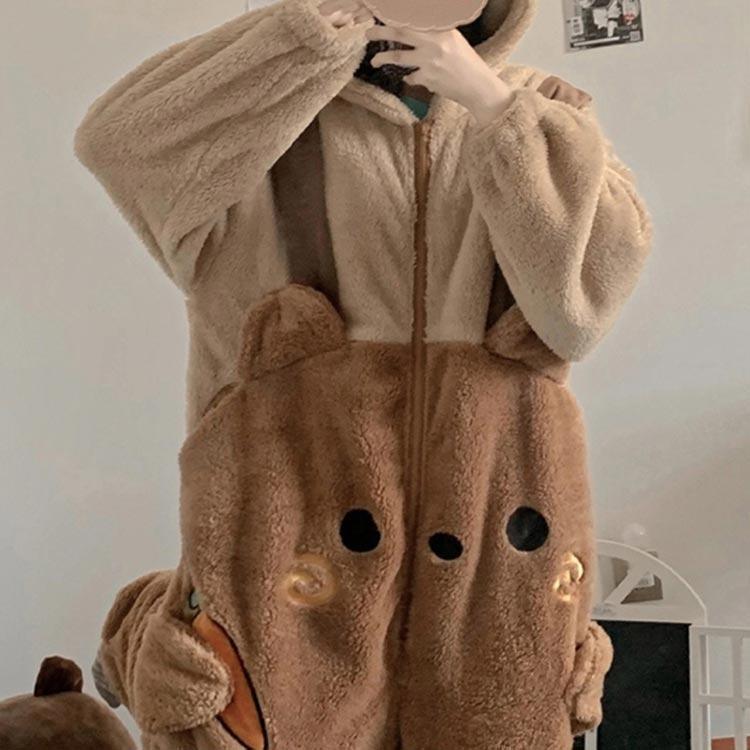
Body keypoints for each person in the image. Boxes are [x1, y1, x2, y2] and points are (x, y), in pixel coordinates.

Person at [74, 0, 651, 748]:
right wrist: (310, 37)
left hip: (496, 518)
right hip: (290, 504)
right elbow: (119, 143)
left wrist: (492, 105)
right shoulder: (265, 117)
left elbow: (579, 311)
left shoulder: (542, 114)